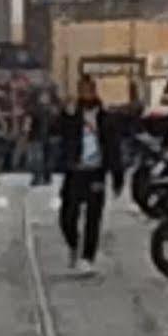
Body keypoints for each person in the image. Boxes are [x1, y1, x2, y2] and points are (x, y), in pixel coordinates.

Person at [55, 75, 124, 276]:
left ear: (94, 91)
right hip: (75, 171)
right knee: (67, 215)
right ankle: (73, 243)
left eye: (89, 90)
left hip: (96, 172)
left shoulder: (105, 118)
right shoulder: (72, 115)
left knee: (94, 216)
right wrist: (65, 114)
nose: (86, 94)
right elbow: (57, 131)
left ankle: (87, 258)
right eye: (82, 90)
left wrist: (117, 175)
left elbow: (113, 147)